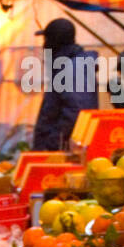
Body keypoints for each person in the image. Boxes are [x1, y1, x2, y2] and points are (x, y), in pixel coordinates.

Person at [31, 17, 98, 152]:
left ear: (54, 43)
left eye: (46, 40)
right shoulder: (69, 66)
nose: (44, 46)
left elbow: (76, 112)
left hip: (63, 153)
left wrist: (50, 144)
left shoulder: (73, 69)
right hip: (61, 150)